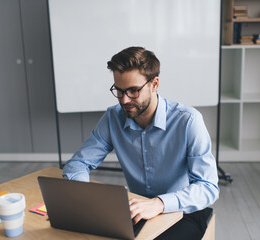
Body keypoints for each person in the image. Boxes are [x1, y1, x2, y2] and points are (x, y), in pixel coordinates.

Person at [62, 46, 219, 239]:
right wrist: (86, 197)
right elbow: (78, 163)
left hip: (183, 211)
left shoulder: (188, 121)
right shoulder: (112, 117)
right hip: (136, 210)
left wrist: (159, 203)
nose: (124, 100)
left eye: (133, 91)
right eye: (118, 91)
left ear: (154, 84)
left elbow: (207, 186)